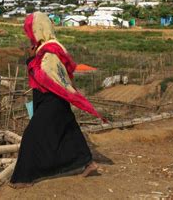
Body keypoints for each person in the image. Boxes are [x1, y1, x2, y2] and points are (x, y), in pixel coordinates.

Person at [10, 12, 107, 188]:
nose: (29, 36)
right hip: (53, 99)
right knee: (69, 131)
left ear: (38, 30)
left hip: (52, 99)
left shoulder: (49, 51)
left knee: (31, 136)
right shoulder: (47, 48)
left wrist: (31, 59)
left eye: (30, 31)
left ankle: (24, 177)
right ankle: (88, 163)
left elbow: (44, 76)